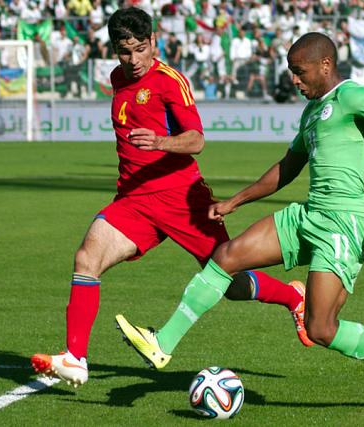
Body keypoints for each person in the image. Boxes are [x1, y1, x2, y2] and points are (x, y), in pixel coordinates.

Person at [116, 32, 364, 414]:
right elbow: (287, 168)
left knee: (321, 329)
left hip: (342, 224)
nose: (294, 81)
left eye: (300, 73)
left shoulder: (352, 94)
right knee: (226, 255)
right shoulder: (312, 111)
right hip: (307, 215)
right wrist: (235, 200)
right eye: (291, 73)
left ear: (325, 65)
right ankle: (162, 343)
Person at [31, 7, 313, 388]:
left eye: (140, 49)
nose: (132, 60)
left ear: (153, 42)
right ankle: (76, 357)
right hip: (133, 201)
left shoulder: (169, 82)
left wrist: (161, 142)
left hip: (182, 200)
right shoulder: (118, 77)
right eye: (124, 51)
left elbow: (197, 140)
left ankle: (293, 298)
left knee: (228, 282)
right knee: (86, 258)